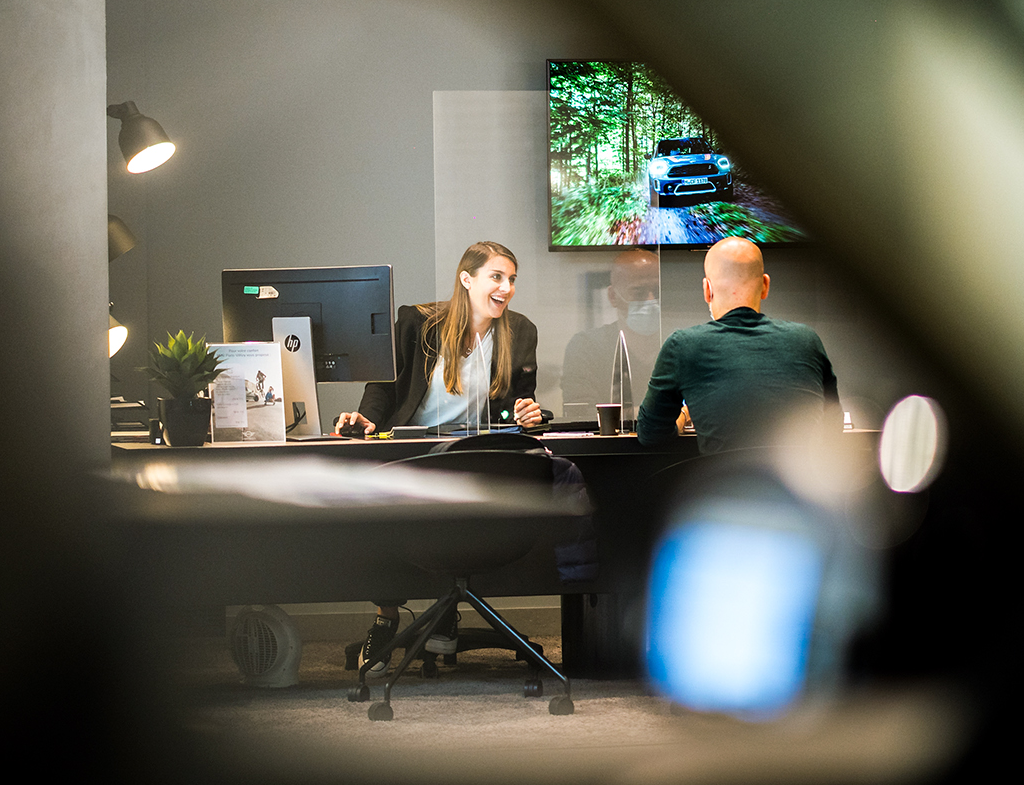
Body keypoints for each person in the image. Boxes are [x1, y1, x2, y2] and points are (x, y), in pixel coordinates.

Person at [334, 240, 544, 677]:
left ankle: (448, 606)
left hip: (471, 452)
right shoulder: (418, 323)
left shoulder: (520, 330)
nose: (506, 288)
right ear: (467, 280)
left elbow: (520, 402)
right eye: (496, 277)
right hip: (411, 446)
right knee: (384, 513)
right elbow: (384, 387)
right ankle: (386, 619)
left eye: (511, 280)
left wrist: (529, 412)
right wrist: (368, 420)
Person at [637, 237, 838, 454]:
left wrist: (685, 415)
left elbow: (651, 434)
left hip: (729, 485)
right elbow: (833, 429)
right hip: (802, 486)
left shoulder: (683, 346)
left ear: (707, 289)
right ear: (765, 285)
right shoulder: (807, 340)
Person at [560, 249, 662, 422]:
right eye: (639, 292)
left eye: (658, 292)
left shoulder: (679, 345)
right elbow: (581, 416)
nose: (651, 300)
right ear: (613, 296)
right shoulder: (586, 347)